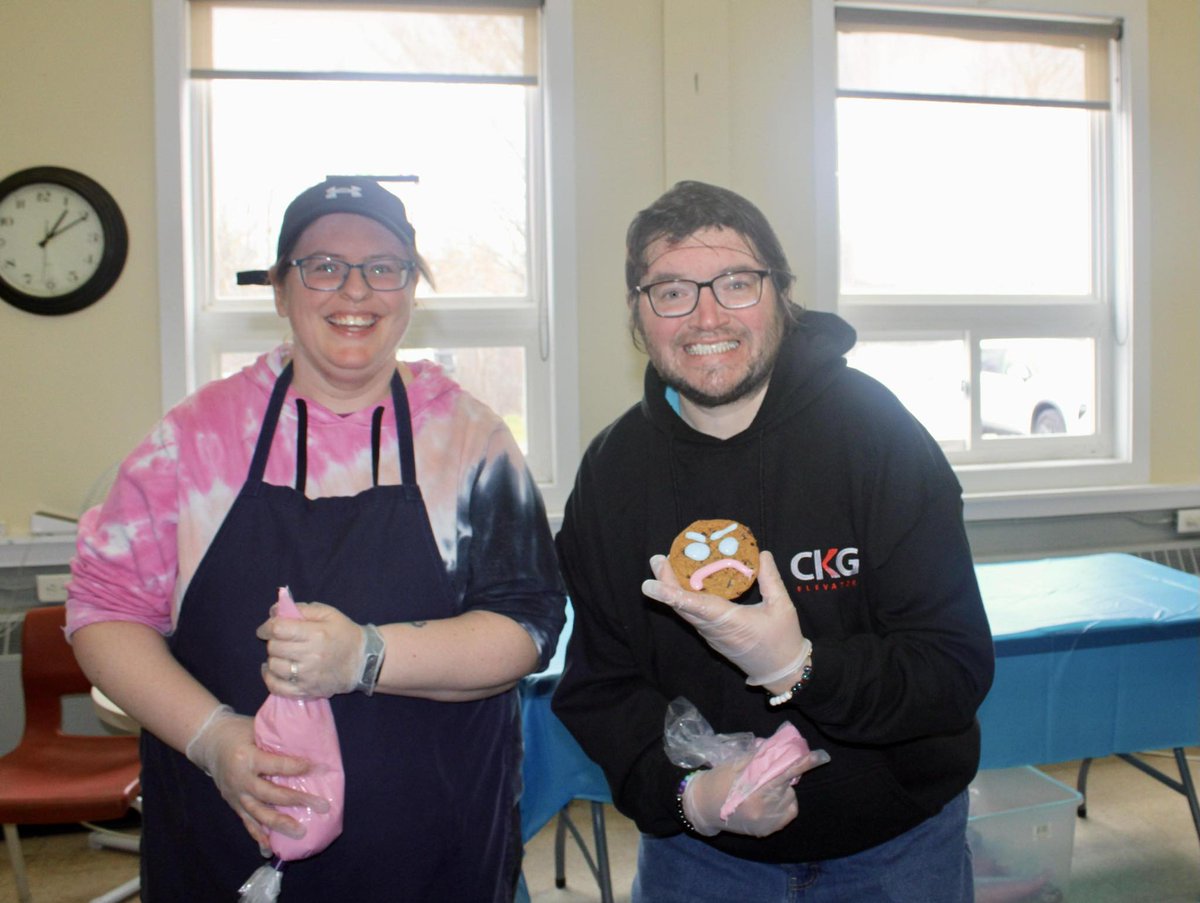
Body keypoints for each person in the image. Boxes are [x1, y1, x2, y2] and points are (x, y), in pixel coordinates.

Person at [67, 177, 565, 901]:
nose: (354, 291)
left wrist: (365, 655)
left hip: (435, 850)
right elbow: (103, 612)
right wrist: (215, 738)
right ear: (280, 288)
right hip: (226, 846)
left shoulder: (471, 440)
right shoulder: (195, 440)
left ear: (410, 291)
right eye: (323, 266)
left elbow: (527, 625)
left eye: (383, 267)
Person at [552, 180, 994, 902]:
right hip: (700, 861)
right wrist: (690, 795)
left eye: (736, 283)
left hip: (896, 849)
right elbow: (600, 688)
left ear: (781, 296)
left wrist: (800, 666)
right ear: (638, 313)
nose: (705, 316)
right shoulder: (612, 475)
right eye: (670, 290)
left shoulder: (876, 436)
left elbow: (952, 668)